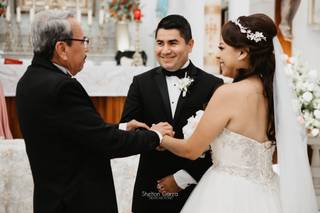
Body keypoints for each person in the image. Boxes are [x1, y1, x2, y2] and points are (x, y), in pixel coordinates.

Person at [16, 10, 173, 213]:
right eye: (83, 41)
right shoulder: (62, 87)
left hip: (52, 198)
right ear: (62, 48)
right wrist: (156, 136)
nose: (86, 48)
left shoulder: (28, 80)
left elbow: (74, 132)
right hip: (76, 202)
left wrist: (122, 127)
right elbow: (106, 142)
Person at [160, 13, 318, 213]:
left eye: (222, 48)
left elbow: (191, 150)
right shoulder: (271, 94)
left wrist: (157, 136)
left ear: (242, 53)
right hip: (268, 193)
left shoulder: (228, 93)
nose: (218, 55)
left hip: (226, 193)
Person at [120, 14, 223, 213]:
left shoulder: (212, 85)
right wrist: (152, 137)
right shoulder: (141, 83)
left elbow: (220, 143)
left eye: (173, 43)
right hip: (151, 185)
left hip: (197, 186)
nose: (165, 50)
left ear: (190, 44)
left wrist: (183, 178)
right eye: (160, 43)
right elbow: (127, 131)